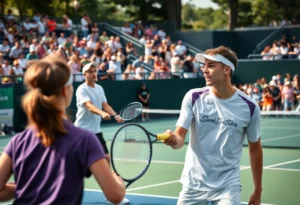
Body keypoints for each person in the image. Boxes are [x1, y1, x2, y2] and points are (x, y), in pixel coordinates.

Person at [0, 56, 125, 204]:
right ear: (66, 91)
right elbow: (115, 195)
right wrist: (118, 181)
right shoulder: (84, 140)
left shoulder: (17, 142)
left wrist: (30, 187)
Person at [163, 46, 263, 205]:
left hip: (228, 186)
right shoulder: (193, 97)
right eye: (204, 66)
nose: (204, 70)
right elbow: (180, 137)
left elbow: (255, 148)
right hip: (193, 184)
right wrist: (173, 140)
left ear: (226, 69)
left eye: (211, 66)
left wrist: (258, 191)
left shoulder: (250, 107)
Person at [74, 62, 129, 204]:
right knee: (74, 164)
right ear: (84, 74)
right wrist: (102, 113)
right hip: (81, 132)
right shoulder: (81, 89)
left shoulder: (99, 88)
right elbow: (90, 106)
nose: (93, 73)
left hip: (95, 131)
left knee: (106, 158)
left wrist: (115, 115)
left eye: (95, 71)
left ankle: (111, 195)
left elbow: (105, 104)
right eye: (90, 71)